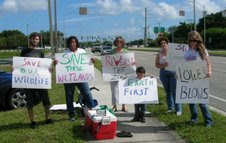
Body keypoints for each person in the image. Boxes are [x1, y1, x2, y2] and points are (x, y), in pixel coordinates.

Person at [20, 32, 52, 129]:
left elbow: (43, 66)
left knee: (46, 99)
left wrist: (49, 69)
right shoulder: (24, 52)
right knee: (30, 102)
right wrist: (15, 68)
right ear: (30, 39)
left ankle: (47, 118)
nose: (35, 40)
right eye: (33, 38)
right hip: (29, 81)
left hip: (40, 81)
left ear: (39, 41)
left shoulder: (40, 53)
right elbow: (20, 65)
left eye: (37, 39)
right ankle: (32, 121)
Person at [61, 36, 95, 121]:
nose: (72, 44)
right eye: (70, 42)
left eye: (74, 42)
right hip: (69, 79)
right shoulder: (65, 53)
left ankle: (92, 110)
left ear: (76, 43)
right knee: (69, 96)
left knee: (87, 93)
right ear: (68, 44)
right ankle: (71, 114)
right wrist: (56, 63)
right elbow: (61, 65)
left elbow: (88, 62)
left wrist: (92, 61)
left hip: (81, 77)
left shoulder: (82, 51)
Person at [184, 31, 213, 127]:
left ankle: (208, 121)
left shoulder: (203, 50)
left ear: (198, 40)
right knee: (191, 101)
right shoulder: (186, 51)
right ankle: (194, 118)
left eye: (195, 40)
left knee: (202, 102)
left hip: (201, 79)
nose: (193, 42)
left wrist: (209, 71)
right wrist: (179, 74)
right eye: (191, 40)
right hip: (190, 79)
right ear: (189, 40)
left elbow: (208, 63)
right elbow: (183, 66)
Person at [155, 36, 182, 116]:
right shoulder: (159, 54)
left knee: (175, 92)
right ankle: (170, 108)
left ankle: (178, 109)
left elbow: (179, 62)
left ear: (167, 43)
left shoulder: (174, 52)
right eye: (161, 43)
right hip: (164, 73)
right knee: (168, 92)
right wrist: (163, 65)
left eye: (164, 43)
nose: (163, 44)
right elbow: (156, 65)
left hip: (173, 73)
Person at [110, 36, 129, 112]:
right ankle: (114, 106)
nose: (119, 42)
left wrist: (133, 62)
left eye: (120, 41)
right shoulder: (112, 52)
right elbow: (108, 62)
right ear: (115, 42)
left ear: (123, 42)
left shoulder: (126, 52)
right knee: (114, 90)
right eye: (117, 41)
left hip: (123, 74)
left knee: (123, 89)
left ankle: (124, 105)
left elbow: (130, 62)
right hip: (114, 74)